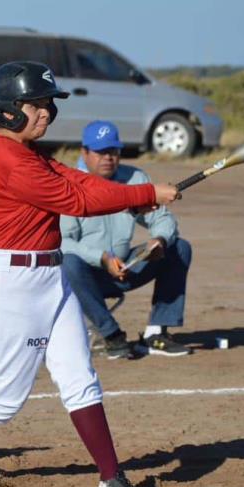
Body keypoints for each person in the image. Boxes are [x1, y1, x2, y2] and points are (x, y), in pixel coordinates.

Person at [0, 62, 180, 487]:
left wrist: (146, 188)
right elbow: (75, 199)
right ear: (10, 109)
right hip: (9, 286)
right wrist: (146, 194)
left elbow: (74, 179)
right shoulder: (4, 155)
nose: (46, 114)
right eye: (37, 105)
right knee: (5, 398)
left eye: (48, 106)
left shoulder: (27, 152)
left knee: (80, 378)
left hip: (50, 278)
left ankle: (111, 478)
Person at [61, 121, 193, 359]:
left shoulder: (135, 177)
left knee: (179, 247)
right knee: (67, 262)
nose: (108, 158)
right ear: (84, 152)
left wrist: (159, 241)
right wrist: (102, 259)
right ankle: (111, 335)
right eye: (101, 152)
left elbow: (163, 218)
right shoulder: (69, 185)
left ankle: (156, 334)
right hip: (85, 277)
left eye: (113, 151)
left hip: (127, 267)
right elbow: (61, 243)